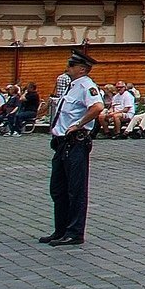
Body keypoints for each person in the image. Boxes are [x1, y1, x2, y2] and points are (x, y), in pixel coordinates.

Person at [42, 51, 104, 247]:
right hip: (61, 144)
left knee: (75, 190)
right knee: (58, 189)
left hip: (75, 143)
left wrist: (78, 124)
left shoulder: (86, 86)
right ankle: (60, 230)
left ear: (82, 69)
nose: (67, 67)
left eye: (71, 65)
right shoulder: (72, 86)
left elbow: (97, 107)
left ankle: (75, 233)